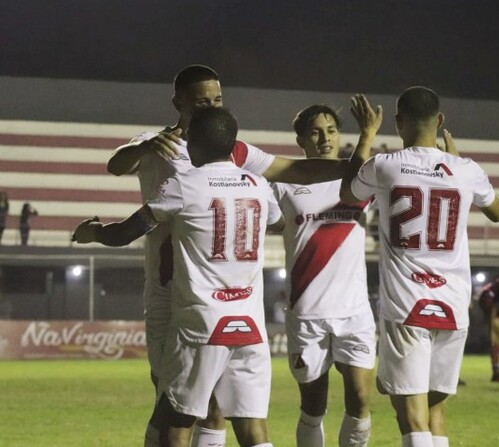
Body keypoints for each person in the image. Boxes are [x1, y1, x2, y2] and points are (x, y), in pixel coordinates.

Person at [107, 64, 375, 447]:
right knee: (171, 402)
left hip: (220, 295)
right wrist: (144, 146)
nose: (210, 106)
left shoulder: (229, 148)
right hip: (170, 290)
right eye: (201, 101)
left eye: (217, 99)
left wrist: (356, 165)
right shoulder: (158, 143)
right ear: (177, 103)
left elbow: (296, 170)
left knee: (211, 405)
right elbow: (116, 164)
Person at [73, 107, 284, 447]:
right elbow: (278, 222)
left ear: (194, 144)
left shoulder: (185, 185)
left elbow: (127, 232)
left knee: (176, 422)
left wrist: (93, 232)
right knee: (252, 429)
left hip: (202, 321)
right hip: (249, 323)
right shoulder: (257, 184)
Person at [340, 87, 499, 447]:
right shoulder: (466, 169)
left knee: (411, 414)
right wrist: (457, 161)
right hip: (453, 304)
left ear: (398, 122)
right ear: (441, 120)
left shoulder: (385, 165)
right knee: (434, 412)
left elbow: (348, 195)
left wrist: (366, 135)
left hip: (408, 303)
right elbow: (498, 212)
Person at [270, 103, 381, 447]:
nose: (325, 138)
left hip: (355, 311)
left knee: (361, 399)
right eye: (316, 132)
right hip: (307, 312)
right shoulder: (284, 183)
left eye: (331, 130)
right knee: (313, 406)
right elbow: (271, 223)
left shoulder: (360, 179)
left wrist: (368, 134)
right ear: (301, 139)